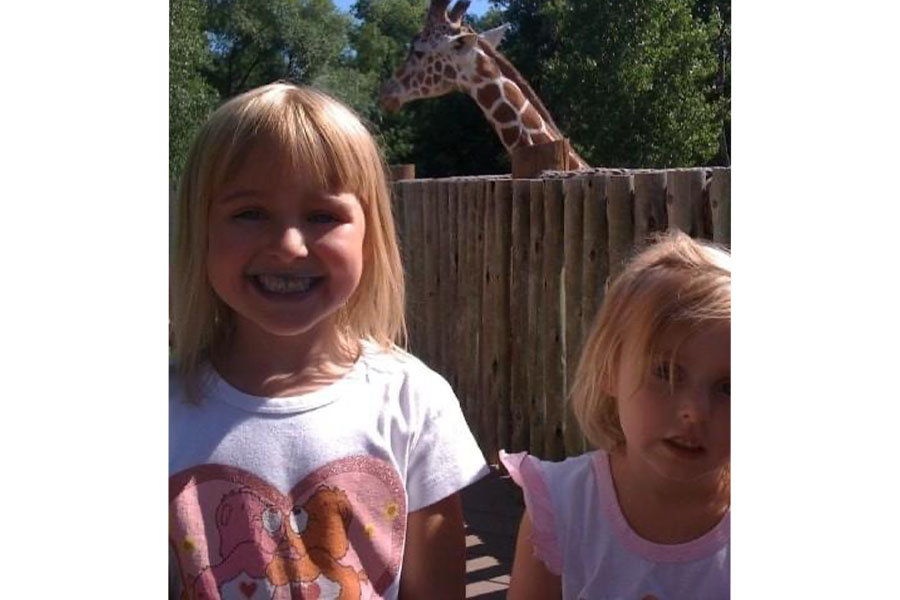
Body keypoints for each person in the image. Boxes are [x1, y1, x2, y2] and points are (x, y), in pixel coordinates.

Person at [169, 82, 489, 600]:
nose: (289, 245)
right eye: (249, 213)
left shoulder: (413, 402)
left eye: (322, 216)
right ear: (200, 230)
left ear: (371, 233)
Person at [501, 232, 731, 600]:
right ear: (610, 369)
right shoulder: (564, 509)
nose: (695, 412)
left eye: (728, 388)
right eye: (666, 372)